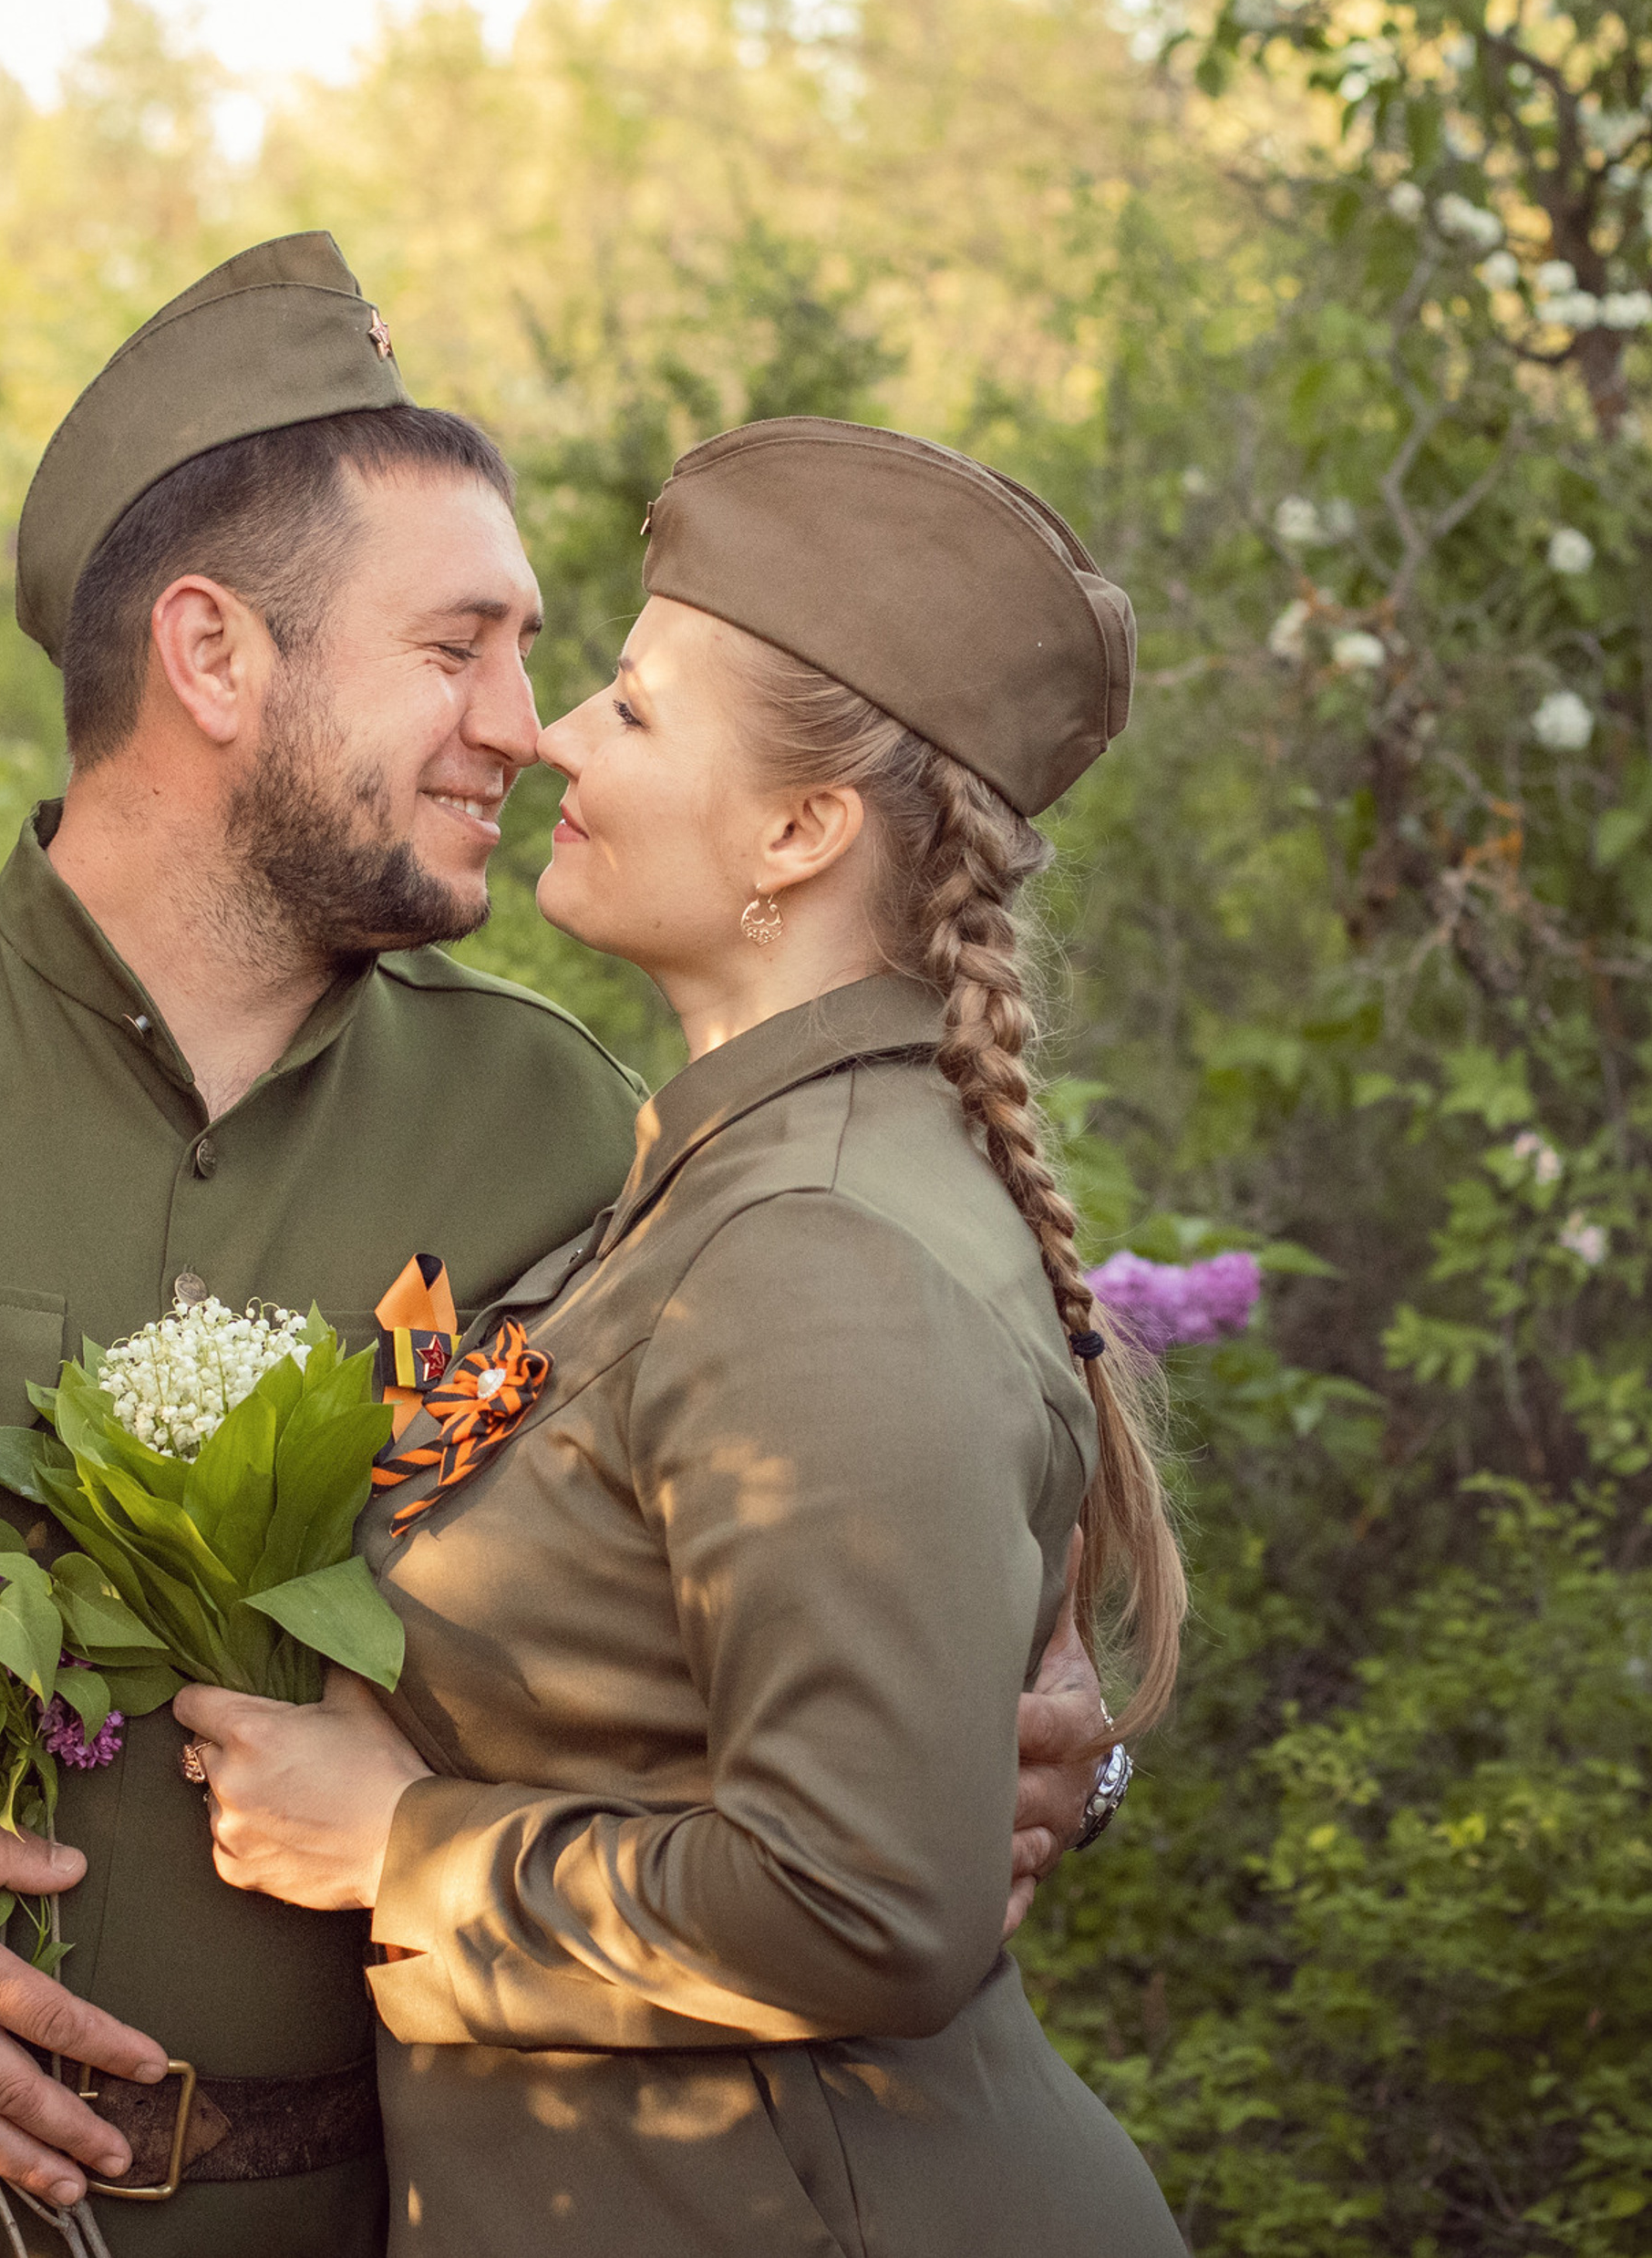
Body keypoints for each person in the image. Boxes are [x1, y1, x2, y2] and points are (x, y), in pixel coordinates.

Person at [0, 242, 1119, 2257]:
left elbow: (803, 1583)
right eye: (459, 648)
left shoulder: (564, 1129)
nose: (521, 731)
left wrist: (1052, 1748)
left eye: (541, 657)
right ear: (212, 656)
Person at [173, 418, 1187, 2255]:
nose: (548, 732)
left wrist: (400, 1848)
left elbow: (867, 1908)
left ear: (800, 829)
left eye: (629, 709)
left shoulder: (814, 1244)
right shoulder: (714, 1176)